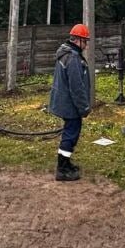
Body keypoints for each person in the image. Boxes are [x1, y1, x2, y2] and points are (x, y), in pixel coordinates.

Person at [48, 24, 92, 181]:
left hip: (65, 101)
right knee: (71, 134)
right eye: (85, 41)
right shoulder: (72, 57)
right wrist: (84, 107)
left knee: (70, 132)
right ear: (78, 40)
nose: (86, 45)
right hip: (70, 104)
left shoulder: (67, 53)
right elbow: (76, 86)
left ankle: (66, 163)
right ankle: (62, 169)